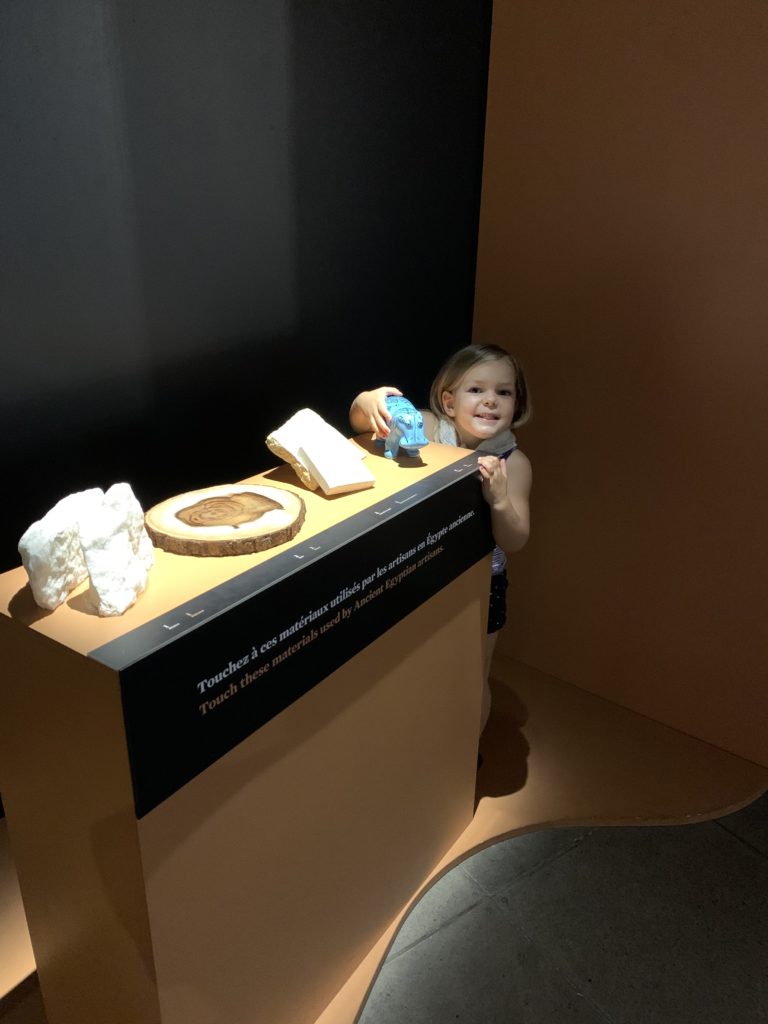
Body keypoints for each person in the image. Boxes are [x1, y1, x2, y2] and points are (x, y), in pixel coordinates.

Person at [349, 343, 532, 736]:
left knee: (472, 674)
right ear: (449, 401)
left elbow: (515, 539)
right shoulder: (431, 428)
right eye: (476, 390)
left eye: (503, 392)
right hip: (426, 570)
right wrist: (367, 401)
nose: (490, 400)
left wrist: (500, 501)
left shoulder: (514, 463)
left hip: (484, 583)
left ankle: (466, 754)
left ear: (516, 404)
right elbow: (364, 423)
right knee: (419, 666)